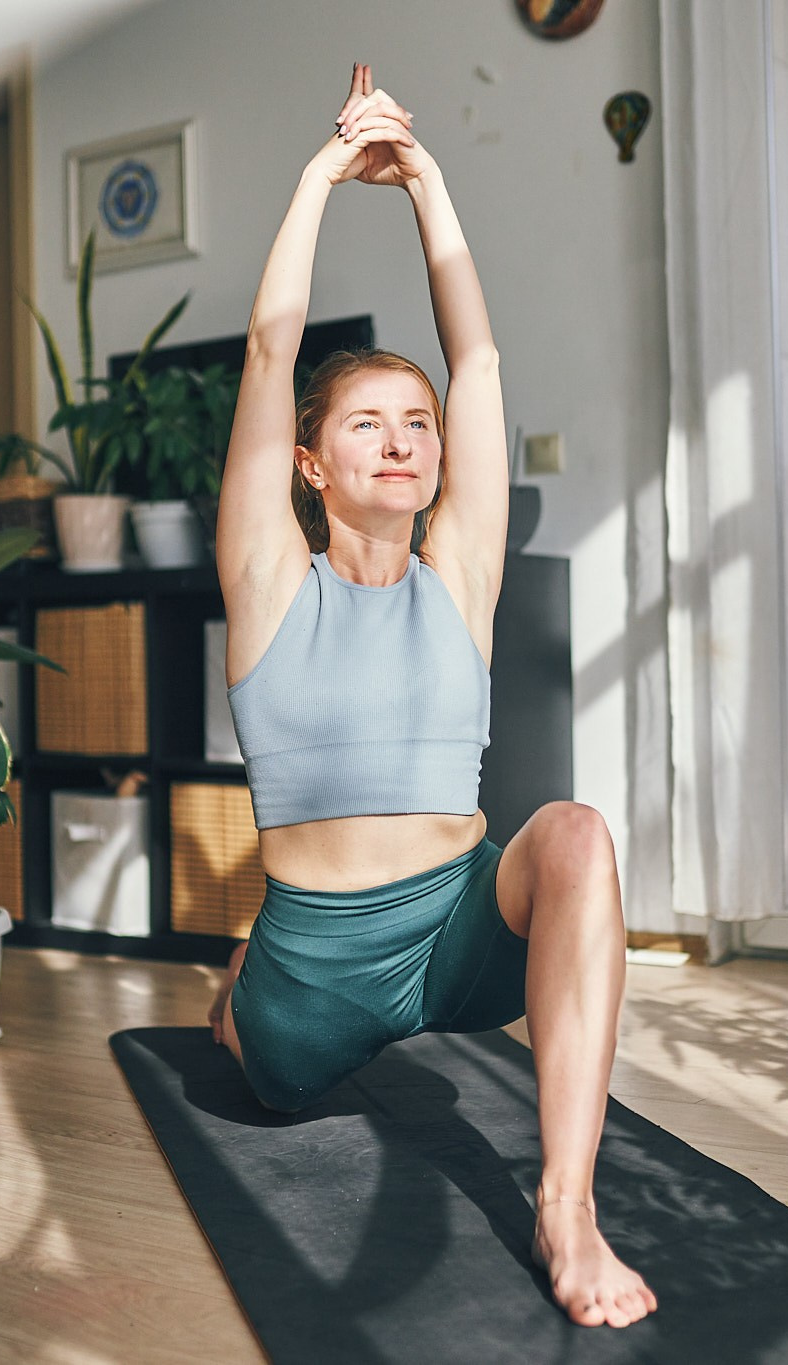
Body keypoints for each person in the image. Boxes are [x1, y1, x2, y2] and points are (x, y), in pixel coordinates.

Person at [205, 63, 656, 1330]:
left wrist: (427, 184)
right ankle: (235, 980)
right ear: (308, 462)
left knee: (572, 832)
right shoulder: (266, 579)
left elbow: (479, 351)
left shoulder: (458, 571)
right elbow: (268, 345)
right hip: (314, 970)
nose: (402, 438)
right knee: (246, 1056)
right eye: (364, 424)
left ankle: (565, 1206)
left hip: (459, 927)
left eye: (418, 422)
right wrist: (319, 177)